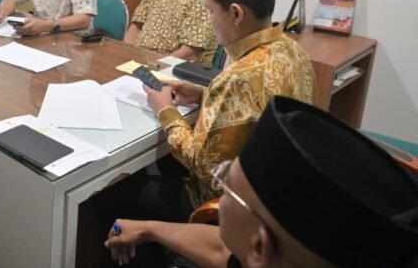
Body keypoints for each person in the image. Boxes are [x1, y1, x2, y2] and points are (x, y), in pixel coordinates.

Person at [99, 0, 316, 266]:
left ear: (236, 13)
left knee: (114, 190)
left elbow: (207, 169)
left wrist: (166, 111)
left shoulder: (238, 77)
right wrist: (206, 94)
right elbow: (259, 108)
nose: (210, 21)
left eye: (211, 11)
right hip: (278, 195)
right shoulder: (293, 51)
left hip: (226, 207)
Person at [104, 96, 418, 267]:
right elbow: (221, 253)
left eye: (226, 186)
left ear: (260, 245)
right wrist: (150, 228)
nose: (219, 192)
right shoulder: (280, 256)